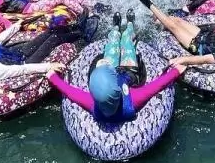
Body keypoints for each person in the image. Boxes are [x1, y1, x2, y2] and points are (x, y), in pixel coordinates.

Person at [47, 11, 182, 123]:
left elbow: (71, 92)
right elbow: (155, 86)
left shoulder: (93, 104)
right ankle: (129, 26)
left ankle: (116, 28)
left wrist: (53, 78)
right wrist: (175, 72)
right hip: (129, 73)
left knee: (111, 47)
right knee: (127, 42)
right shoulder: (132, 100)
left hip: (113, 73)